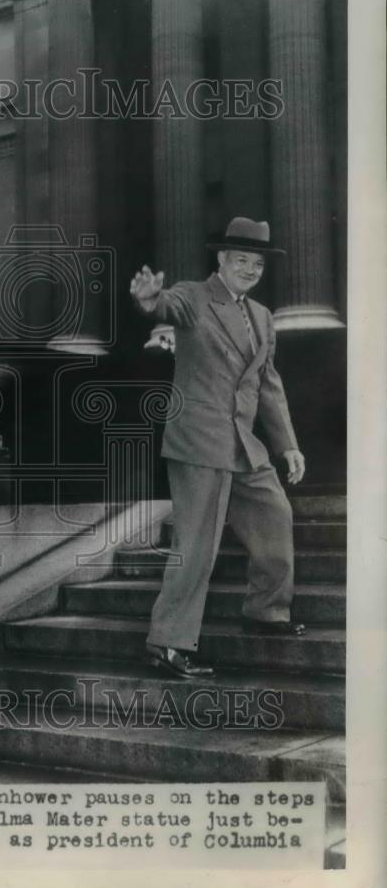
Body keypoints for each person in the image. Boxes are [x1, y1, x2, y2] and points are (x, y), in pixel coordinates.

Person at [130, 216, 307, 678]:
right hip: (199, 439)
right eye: (241, 260)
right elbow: (164, 306)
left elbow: (269, 386)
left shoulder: (264, 318)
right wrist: (149, 299)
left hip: (243, 443)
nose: (250, 269)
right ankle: (166, 643)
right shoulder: (195, 296)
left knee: (275, 515)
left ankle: (266, 611)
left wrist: (287, 446)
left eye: (257, 263)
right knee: (198, 545)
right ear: (222, 260)